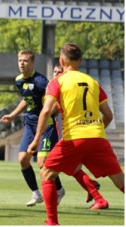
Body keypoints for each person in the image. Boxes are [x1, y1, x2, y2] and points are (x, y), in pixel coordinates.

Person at [28, 43, 124, 225]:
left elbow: (46, 111)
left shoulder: (57, 82)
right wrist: (94, 133)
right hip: (98, 137)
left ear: (61, 61)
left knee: (47, 173)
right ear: (80, 61)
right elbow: (109, 115)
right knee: (120, 180)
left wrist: (36, 139)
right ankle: (95, 195)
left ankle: (52, 222)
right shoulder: (93, 82)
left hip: (74, 138)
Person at [1, 49, 64, 206]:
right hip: (30, 124)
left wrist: (52, 114)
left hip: (46, 126)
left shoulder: (42, 81)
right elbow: (26, 99)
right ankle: (36, 194)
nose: (22, 63)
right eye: (20, 60)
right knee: (23, 160)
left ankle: (59, 189)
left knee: (43, 163)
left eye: (25, 61)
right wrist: (13, 115)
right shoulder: (19, 80)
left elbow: (56, 99)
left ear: (32, 63)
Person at [51, 64, 104, 206]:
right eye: (54, 72)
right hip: (71, 134)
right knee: (73, 168)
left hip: (71, 135)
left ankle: (56, 201)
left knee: (48, 167)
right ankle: (94, 192)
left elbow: (50, 112)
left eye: (59, 72)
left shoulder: (64, 89)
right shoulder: (58, 88)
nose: (56, 74)